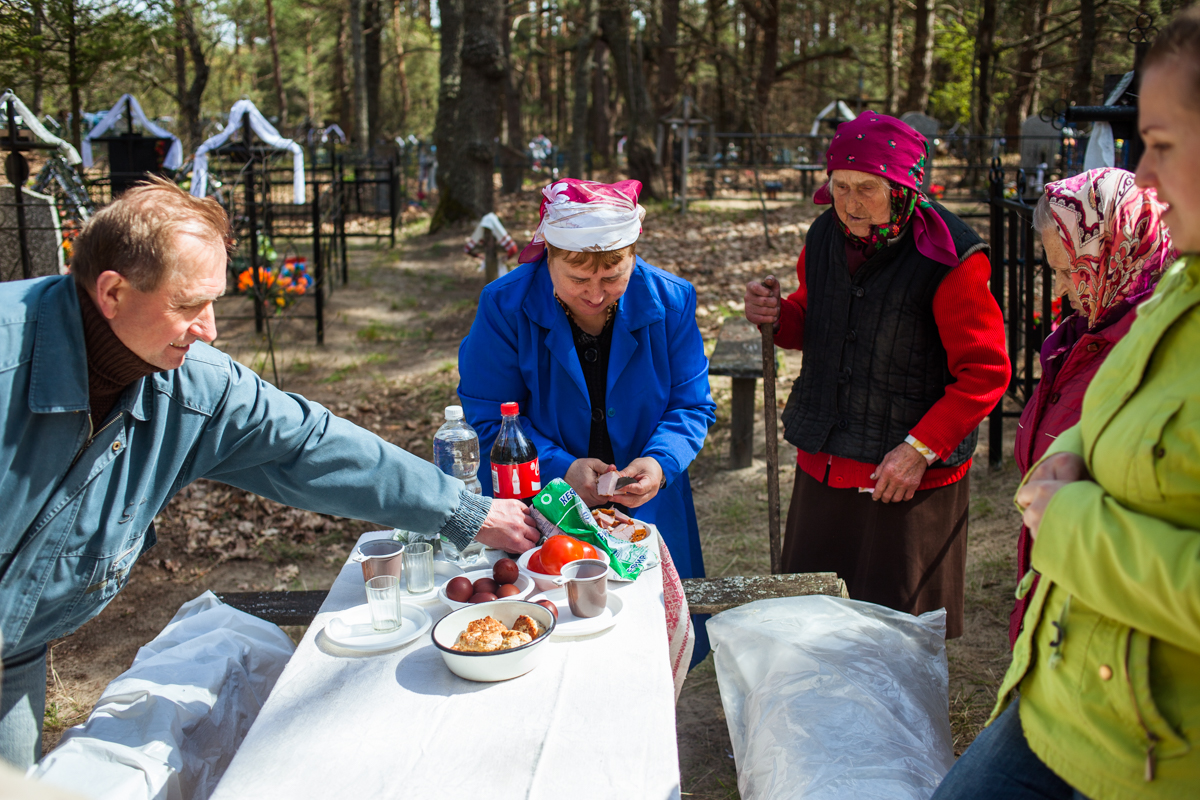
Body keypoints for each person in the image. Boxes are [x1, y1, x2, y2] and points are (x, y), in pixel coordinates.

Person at [0, 177, 539, 769]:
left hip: (14, 654)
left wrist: (463, 510)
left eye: (214, 303)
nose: (209, 329)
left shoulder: (193, 381)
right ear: (112, 292)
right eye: (186, 307)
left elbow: (309, 445)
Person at [933, 10, 1200, 799]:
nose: (1143, 178)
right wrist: (1073, 446)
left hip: (1152, 749)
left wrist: (1071, 523)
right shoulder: (1179, 286)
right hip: (1065, 683)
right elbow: (1128, 401)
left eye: (1163, 143)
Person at [744, 113, 1010, 639]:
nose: (850, 202)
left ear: (904, 186)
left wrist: (918, 450)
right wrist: (778, 315)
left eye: (866, 188)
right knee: (813, 622)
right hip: (826, 458)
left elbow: (985, 372)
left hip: (903, 476)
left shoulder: (953, 260)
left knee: (892, 635)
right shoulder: (823, 236)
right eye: (840, 187)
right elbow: (813, 322)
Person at [457, 178, 716, 656]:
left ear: (633, 255)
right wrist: (561, 468)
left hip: (647, 505)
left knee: (648, 643)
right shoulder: (505, 305)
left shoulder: (671, 300)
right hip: (543, 505)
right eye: (578, 279)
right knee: (552, 636)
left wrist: (661, 461)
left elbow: (691, 404)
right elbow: (490, 417)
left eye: (613, 275)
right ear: (548, 257)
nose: (596, 294)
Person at [1008, 168, 1173, 648]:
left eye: (1068, 272)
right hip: (1055, 600)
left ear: (1117, 256)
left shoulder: (1149, 352)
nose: (1059, 290)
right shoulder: (1081, 337)